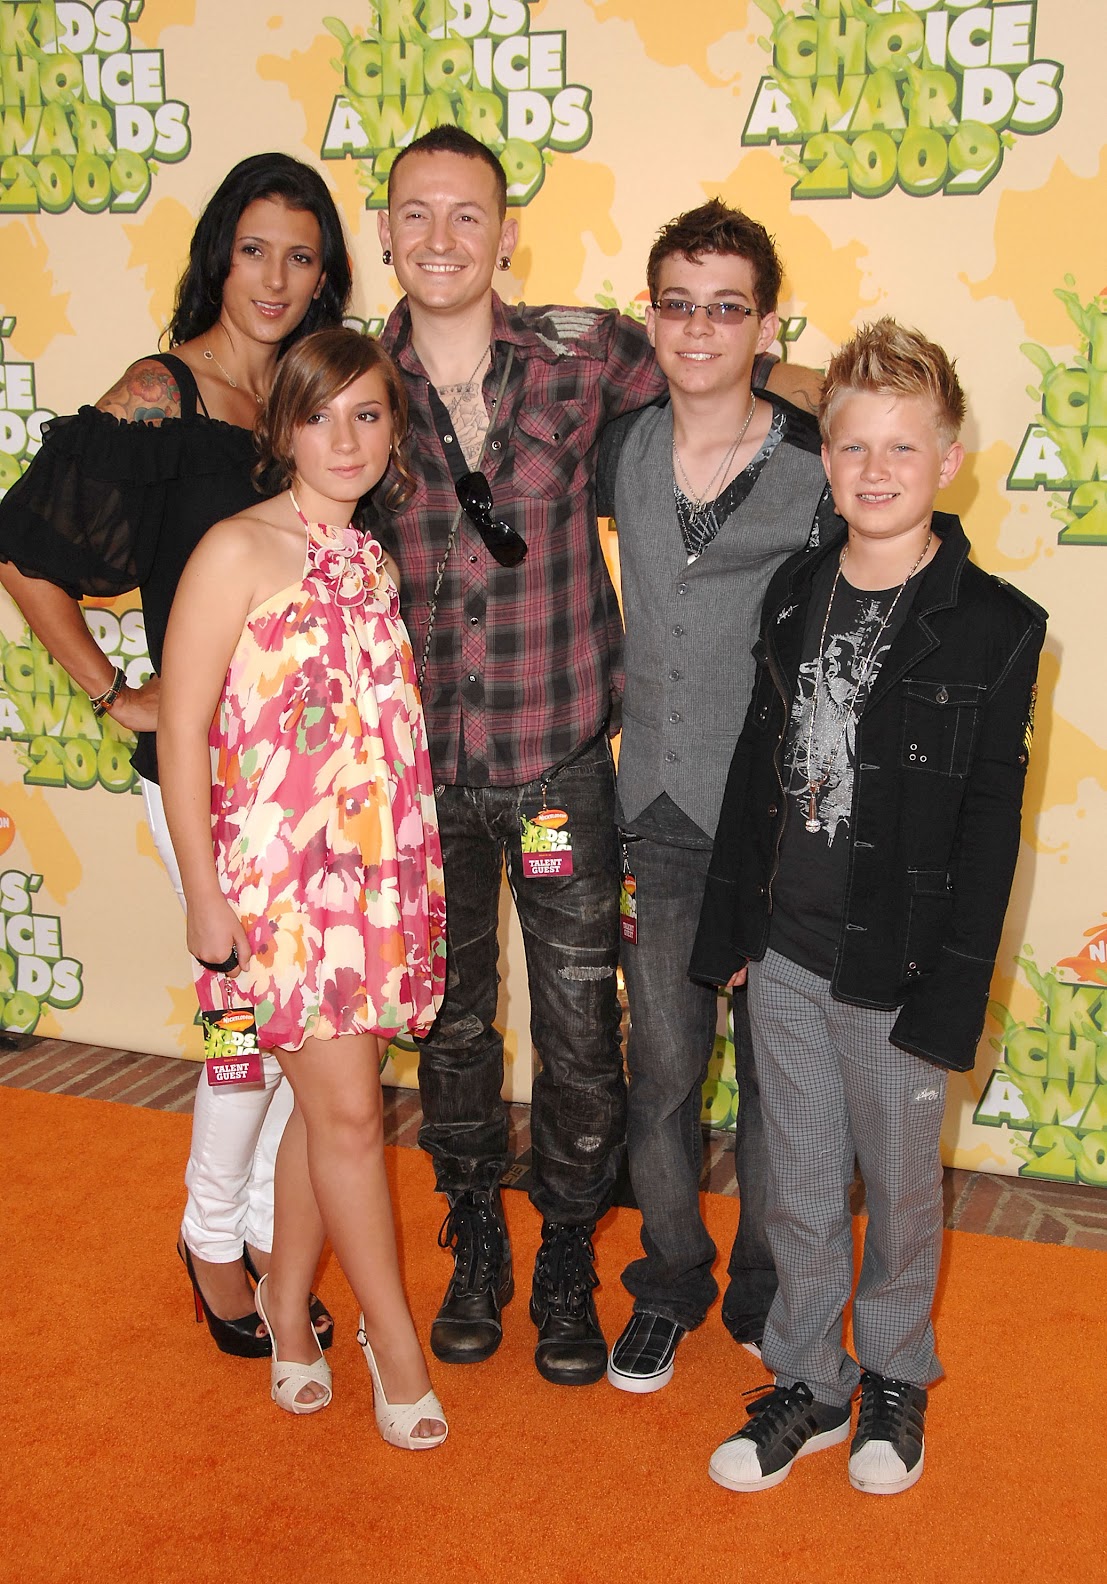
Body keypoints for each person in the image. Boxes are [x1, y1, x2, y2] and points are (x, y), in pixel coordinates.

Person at [373, 126, 822, 1385]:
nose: (444, 238)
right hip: (422, 782)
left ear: (507, 233)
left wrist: (878, 412)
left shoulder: (586, 358)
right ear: (389, 228)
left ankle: (572, 1250)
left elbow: (725, 372)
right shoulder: (352, 379)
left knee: (585, 1033)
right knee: (455, 1032)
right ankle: (477, 1242)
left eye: (470, 216)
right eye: (420, 214)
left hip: (567, 765)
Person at [0, 153, 352, 1357]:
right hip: (205, 782)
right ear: (218, 252)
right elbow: (24, 547)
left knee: (285, 1027)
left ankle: (259, 1233)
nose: (276, 276)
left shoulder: (313, 397)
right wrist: (113, 692)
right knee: (242, 1025)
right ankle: (213, 1244)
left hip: (311, 782)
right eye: (255, 247)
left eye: (301, 254)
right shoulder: (165, 391)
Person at [691, 319, 1047, 1493]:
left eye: (904, 446)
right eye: (853, 447)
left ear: (949, 459)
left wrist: (954, 995)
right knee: (792, 1182)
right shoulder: (796, 589)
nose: (877, 469)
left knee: (898, 1190)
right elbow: (757, 767)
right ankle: (811, 1374)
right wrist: (732, 929)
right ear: (826, 460)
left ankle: (894, 1369)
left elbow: (990, 830)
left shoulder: (996, 625)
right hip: (787, 948)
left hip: (898, 969)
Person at [158, 328, 448, 1444]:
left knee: (332, 1111)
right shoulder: (235, 549)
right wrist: (203, 895)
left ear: (392, 432)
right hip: (278, 894)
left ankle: (286, 1312)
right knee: (352, 1116)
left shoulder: (368, 556)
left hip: (372, 888)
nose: (345, 438)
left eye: (368, 415)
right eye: (321, 415)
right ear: (280, 426)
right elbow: (184, 731)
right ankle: (397, 1347)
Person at [596, 200, 836, 1394]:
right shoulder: (621, 446)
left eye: (726, 307)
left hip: (786, 827)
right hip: (659, 818)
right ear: (653, 317)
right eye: (679, 304)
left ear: (766, 324)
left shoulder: (819, 463)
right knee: (667, 1076)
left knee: (786, 1083)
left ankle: (765, 1286)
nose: (700, 328)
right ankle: (672, 1281)